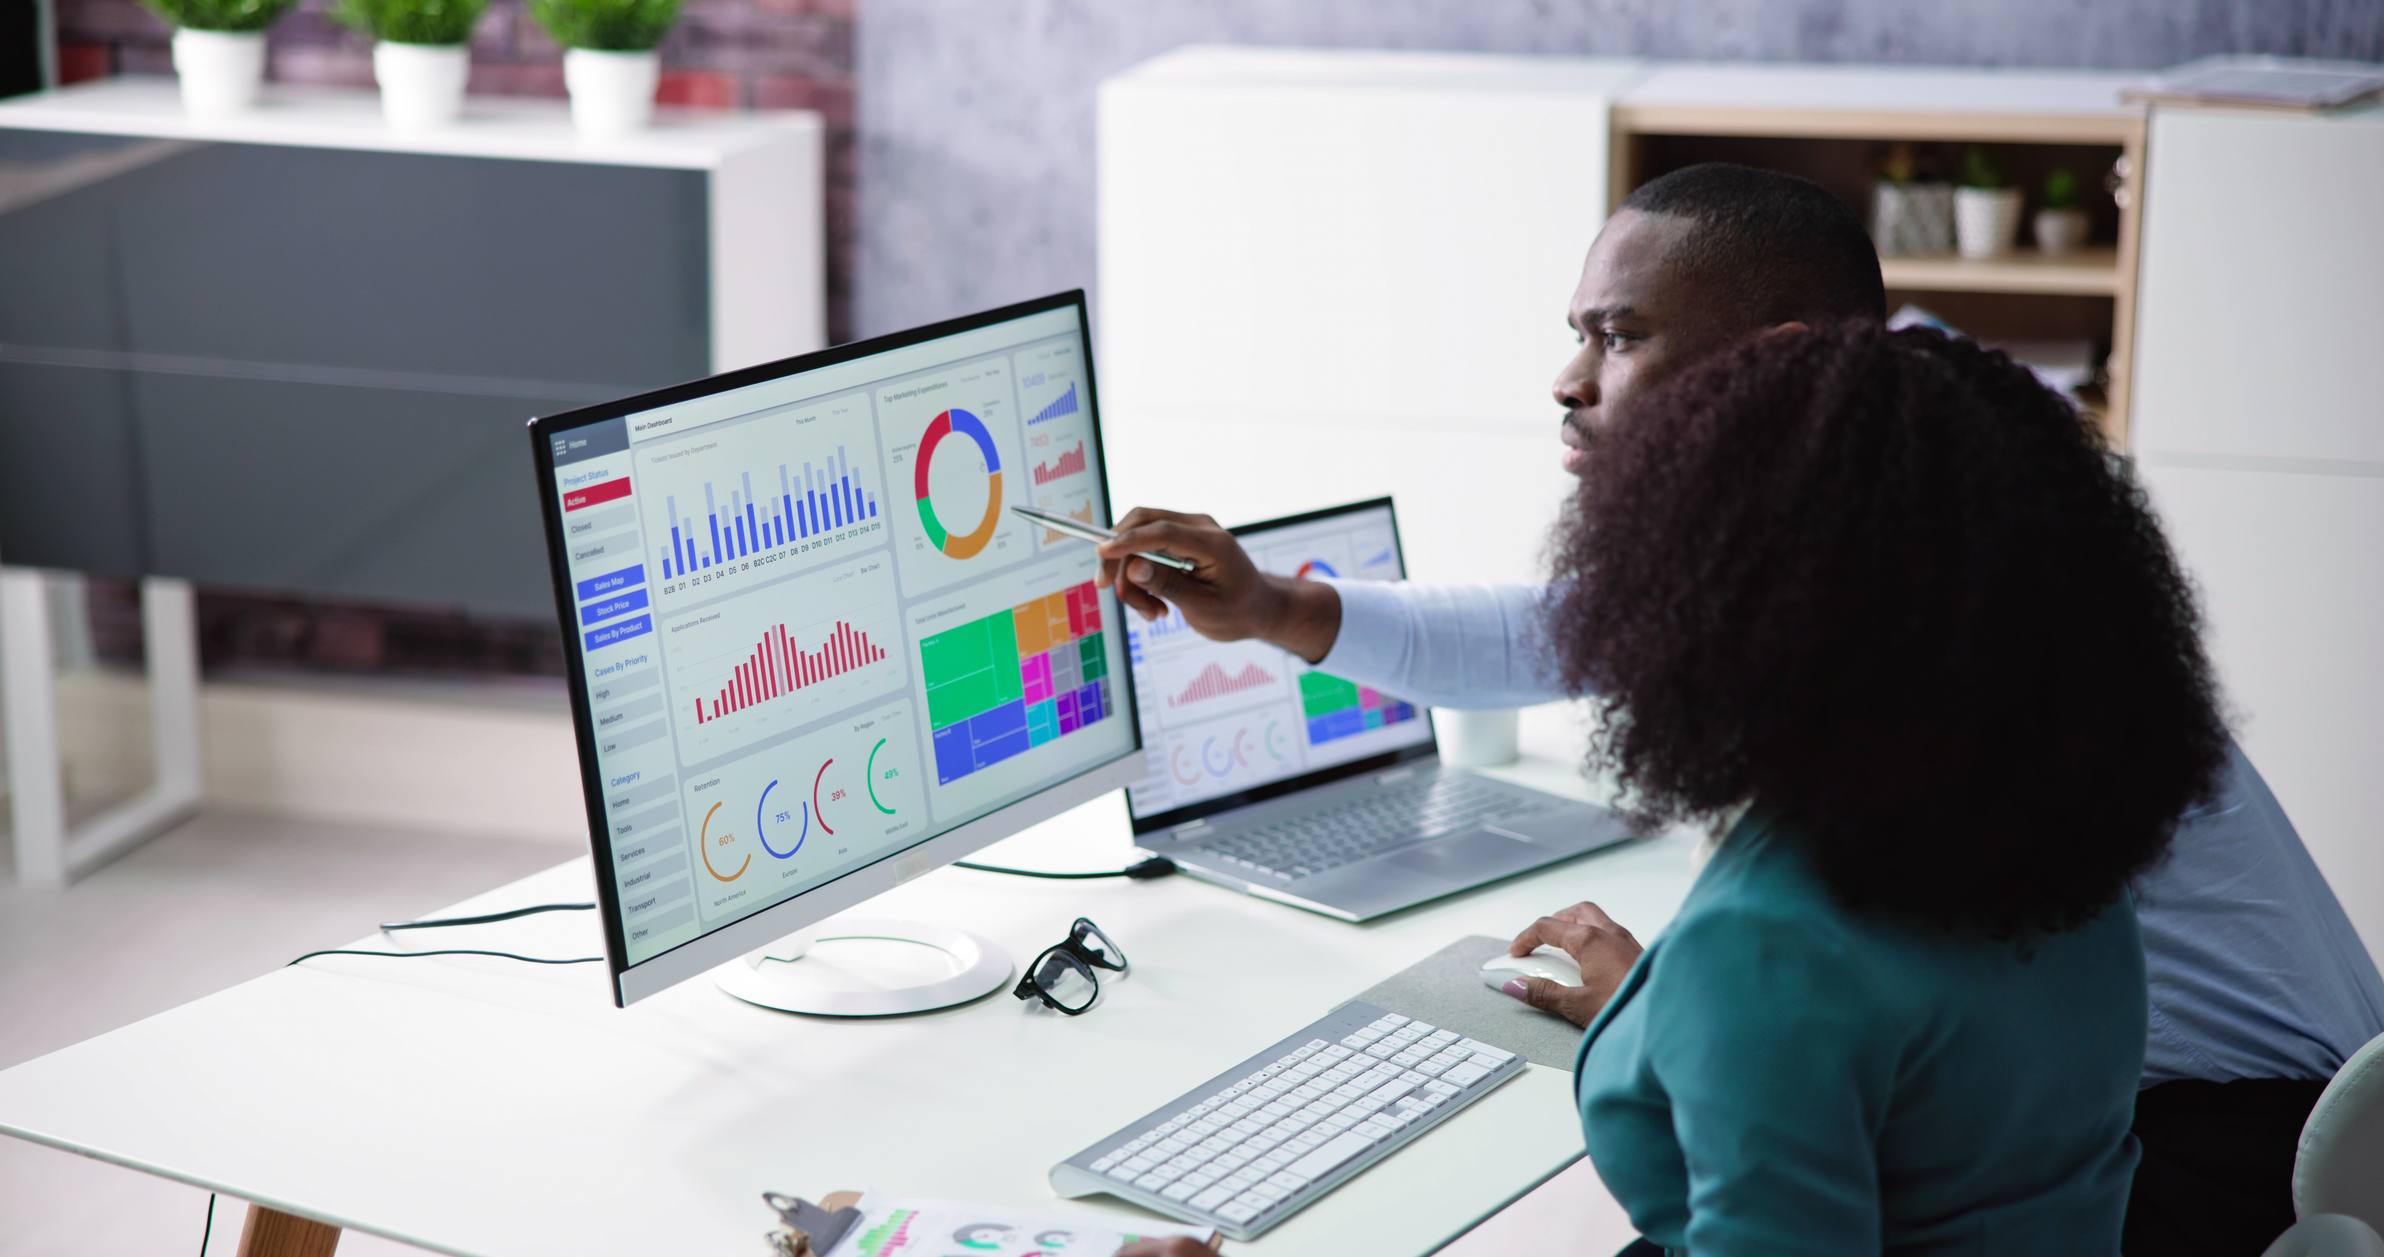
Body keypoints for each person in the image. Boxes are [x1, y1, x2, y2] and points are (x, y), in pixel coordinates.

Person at [1101, 164, 2384, 1255]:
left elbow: (1804, 975)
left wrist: (1698, 1016)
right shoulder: (1960, 554)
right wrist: (1272, 607)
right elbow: (1575, 628)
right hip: (2142, 1124)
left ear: (1768, 363)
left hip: (2212, 1154)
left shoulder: (1846, 768)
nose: (1567, 378)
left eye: (1617, 335)